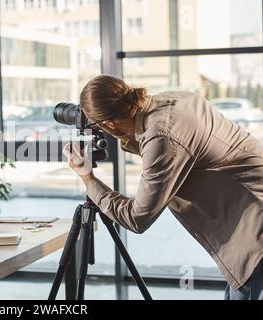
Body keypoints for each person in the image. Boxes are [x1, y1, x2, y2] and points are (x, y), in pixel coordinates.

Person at [63, 75, 263, 300]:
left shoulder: (161, 136)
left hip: (253, 223)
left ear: (110, 123)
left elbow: (137, 218)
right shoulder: (174, 99)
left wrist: (88, 179)